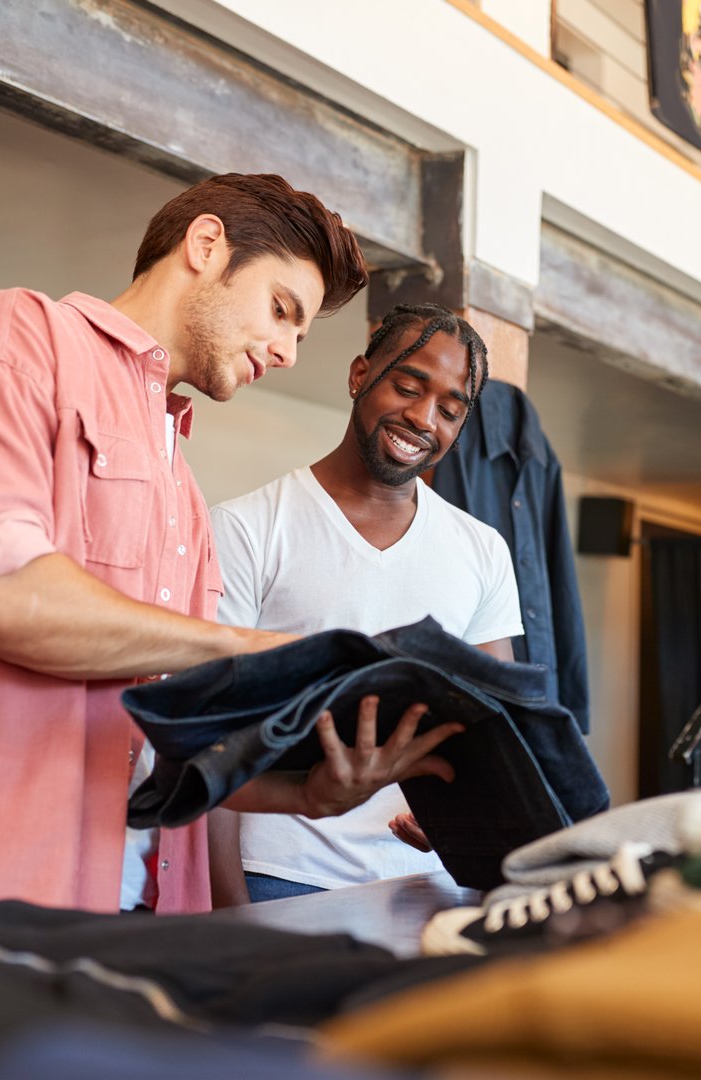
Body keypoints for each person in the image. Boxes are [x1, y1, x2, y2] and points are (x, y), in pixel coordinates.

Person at [0, 174, 462, 923]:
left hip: (123, 901)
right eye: (282, 310)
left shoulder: (180, 491)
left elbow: (146, 737)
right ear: (205, 245)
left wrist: (301, 795)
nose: (288, 351)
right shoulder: (8, 338)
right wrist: (254, 648)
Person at [208, 303, 524, 905]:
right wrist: (230, 911)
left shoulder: (482, 550)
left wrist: (466, 827)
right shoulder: (248, 528)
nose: (423, 418)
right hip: (281, 876)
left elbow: (497, 735)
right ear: (359, 375)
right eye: (407, 386)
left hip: (428, 882)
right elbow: (214, 739)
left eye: (451, 410)